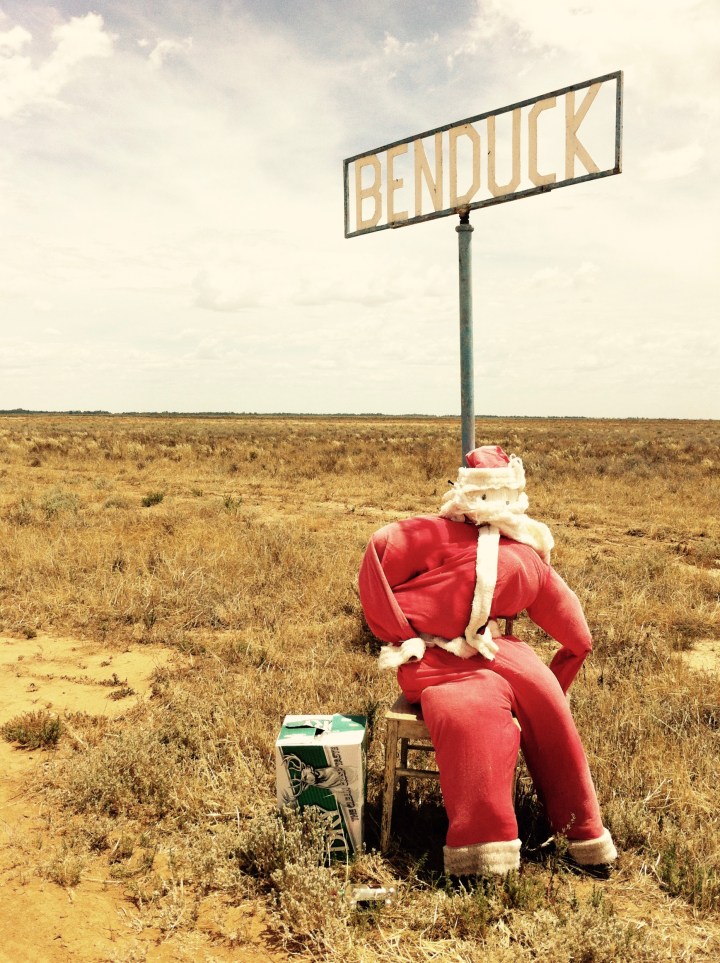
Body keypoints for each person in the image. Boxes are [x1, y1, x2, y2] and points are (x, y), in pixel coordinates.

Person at [358, 445, 617, 876]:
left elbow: (574, 632)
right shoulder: (428, 536)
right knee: (471, 719)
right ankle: (484, 850)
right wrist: (404, 639)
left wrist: (557, 678)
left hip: (497, 648)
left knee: (550, 709)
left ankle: (583, 833)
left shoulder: (524, 552)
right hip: (437, 656)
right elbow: (376, 562)